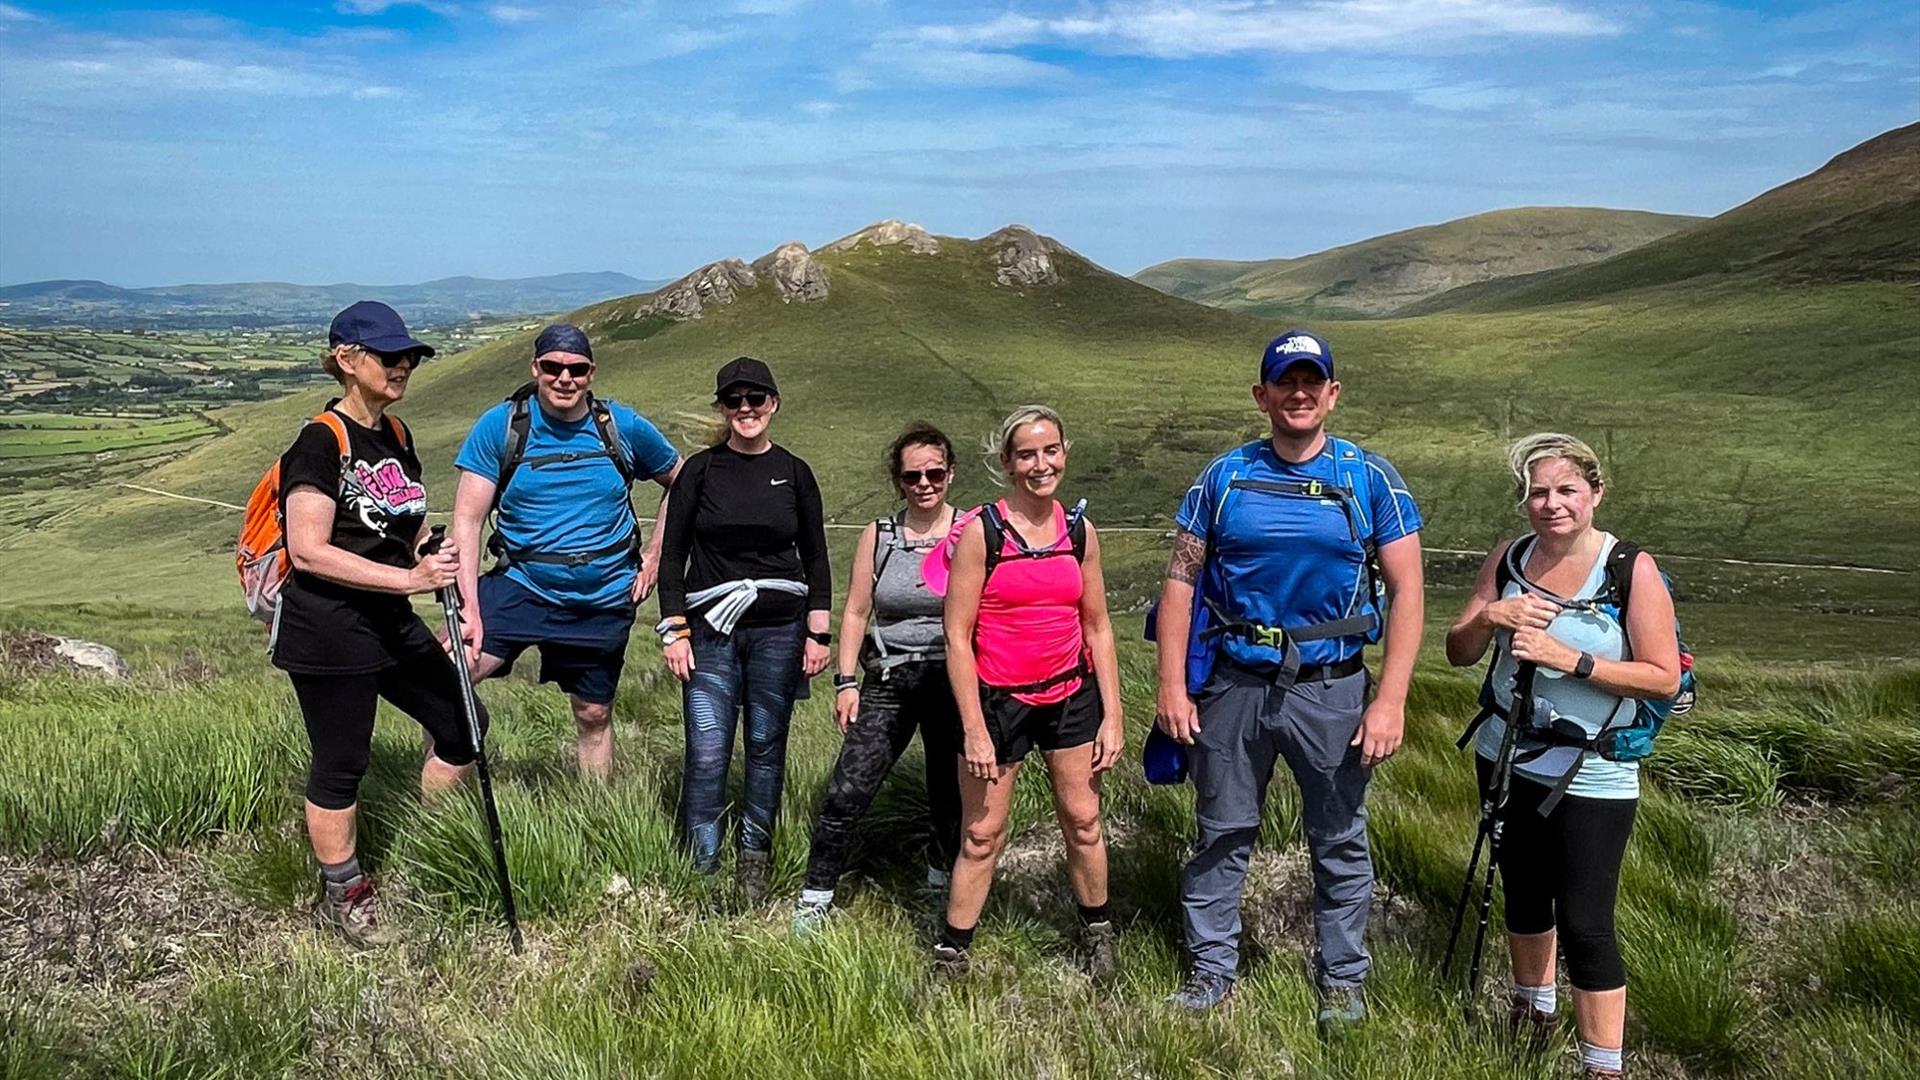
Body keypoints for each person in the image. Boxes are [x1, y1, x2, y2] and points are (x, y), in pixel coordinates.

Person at [1154, 329, 1425, 1023]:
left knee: (1338, 838)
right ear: (1262, 395)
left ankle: (1342, 981)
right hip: (1235, 685)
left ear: (1332, 393)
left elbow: (1409, 593)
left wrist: (1390, 700)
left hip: (1333, 688)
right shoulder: (1221, 478)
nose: (1299, 393)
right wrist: (1171, 688)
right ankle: (1212, 973)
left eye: (1313, 381)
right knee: (1222, 832)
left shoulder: (1371, 477)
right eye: (1285, 382)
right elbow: (1181, 583)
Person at [1444, 433, 1681, 1080]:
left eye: (1566, 490)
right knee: (1522, 887)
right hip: (1503, 752)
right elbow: (1458, 653)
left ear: (1595, 493)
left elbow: (1662, 676)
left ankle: (1602, 1065)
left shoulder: (1632, 568)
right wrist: (1490, 616)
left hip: (1594, 769)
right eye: (1538, 492)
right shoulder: (1509, 557)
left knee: (1586, 920)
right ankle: (1531, 1014)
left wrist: (1569, 658)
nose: (1551, 504)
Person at [272, 300, 481, 947]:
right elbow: (307, 549)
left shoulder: (395, 435)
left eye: (410, 357)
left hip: (389, 619)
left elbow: (405, 517)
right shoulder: (319, 442)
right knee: (343, 762)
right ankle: (348, 893)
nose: (403, 366)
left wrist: (428, 552)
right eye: (390, 356)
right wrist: (410, 581)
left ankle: (431, 838)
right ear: (346, 359)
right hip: (328, 627)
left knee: (464, 722)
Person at [927, 405, 1124, 979]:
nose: (1041, 464)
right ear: (1008, 464)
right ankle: (953, 950)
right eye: (1027, 455)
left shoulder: (1081, 532)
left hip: (1069, 696)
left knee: (1084, 821)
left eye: (1050, 451)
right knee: (983, 833)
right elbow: (957, 638)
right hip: (998, 701)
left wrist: (1112, 714)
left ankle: (1098, 932)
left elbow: (1098, 626)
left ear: (1064, 452)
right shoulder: (982, 533)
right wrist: (973, 729)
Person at [450, 324, 682, 779]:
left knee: (593, 714)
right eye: (553, 367)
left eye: (576, 369)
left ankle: (596, 816)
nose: (564, 378)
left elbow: (684, 480)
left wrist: (655, 554)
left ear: (591, 372)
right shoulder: (502, 425)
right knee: (452, 675)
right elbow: (467, 520)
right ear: (536, 368)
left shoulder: (622, 426)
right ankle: (443, 805)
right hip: (522, 583)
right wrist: (467, 607)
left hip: (604, 594)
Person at [656, 357, 832, 901]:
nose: (746, 409)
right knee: (708, 750)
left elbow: (817, 555)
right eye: (734, 400)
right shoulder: (700, 472)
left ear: (773, 404)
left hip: (780, 630)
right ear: (723, 408)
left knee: (764, 743)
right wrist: (673, 630)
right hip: (709, 631)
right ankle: (703, 868)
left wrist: (818, 631)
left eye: (756, 398)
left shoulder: (796, 472)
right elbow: (672, 555)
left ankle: (754, 861)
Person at [792, 422, 963, 933]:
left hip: (955, 681)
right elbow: (855, 613)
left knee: (950, 794)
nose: (925, 483)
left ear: (950, 474)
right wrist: (846, 682)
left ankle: (941, 884)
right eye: (913, 476)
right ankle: (815, 898)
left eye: (935, 473)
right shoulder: (880, 535)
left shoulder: (972, 531)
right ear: (899, 481)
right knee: (847, 791)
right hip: (888, 679)